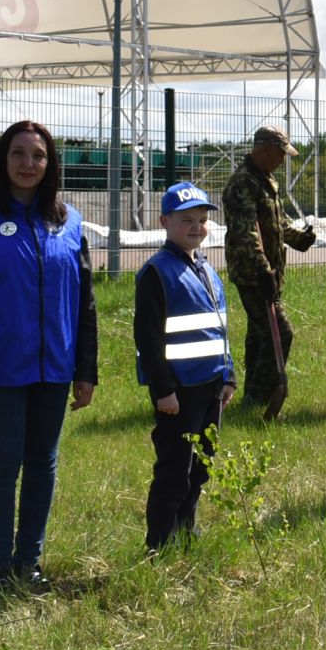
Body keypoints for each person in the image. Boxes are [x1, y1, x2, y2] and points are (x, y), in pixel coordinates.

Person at [0, 121, 97, 592]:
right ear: (2, 159)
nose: (28, 164)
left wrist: (85, 370)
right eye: (18, 153)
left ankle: (28, 563)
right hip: (0, 371)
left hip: (55, 368)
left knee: (42, 463)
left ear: (51, 162)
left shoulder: (69, 222)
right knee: (3, 463)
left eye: (38, 155)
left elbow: (86, 302)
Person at [134, 183, 236, 552]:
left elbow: (219, 326)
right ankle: (159, 542)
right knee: (174, 470)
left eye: (203, 220)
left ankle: (185, 532)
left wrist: (229, 375)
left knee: (202, 466)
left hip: (211, 385)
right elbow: (148, 339)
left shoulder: (206, 268)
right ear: (164, 221)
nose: (197, 227)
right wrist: (163, 390)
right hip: (179, 390)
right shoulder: (156, 273)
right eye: (186, 220)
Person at [222, 126, 317, 419]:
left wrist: (301, 239)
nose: (282, 160)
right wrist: (263, 271)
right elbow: (246, 231)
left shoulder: (265, 180)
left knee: (258, 334)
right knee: (280, 333)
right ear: (263, 149)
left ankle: (249, 392)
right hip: (253, 273)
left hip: (269, 272)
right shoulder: (243, 183)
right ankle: (260, 396)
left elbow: (277, 223)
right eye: (280, 154)